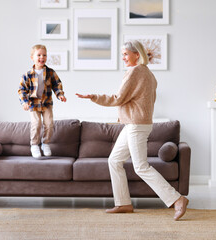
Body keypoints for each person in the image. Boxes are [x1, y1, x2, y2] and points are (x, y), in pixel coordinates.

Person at [76, 40, 189, 221]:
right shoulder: (149, 74)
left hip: (136, 125)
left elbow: (118, 98)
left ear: (137, 54)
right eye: (122, 54)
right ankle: (123, 203)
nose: (123, 58)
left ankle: (177, 199)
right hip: (136, 124)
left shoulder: (135, 72)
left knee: (141, 167)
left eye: (126, 54)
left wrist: (93, 97)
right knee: (114, 160)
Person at [18, 44, 66, 158]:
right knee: (36, 123)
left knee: (49, 123)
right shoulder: (27, 75)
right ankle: (34, 144)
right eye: (38, 55)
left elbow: (57, 85)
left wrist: (60, 95)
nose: (42, 57)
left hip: (46, 103)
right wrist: (24, 102)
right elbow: (21, 89)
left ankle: (46, 143)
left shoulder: (50, 72)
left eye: (44, 55)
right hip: (33, 104)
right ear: (32, 58)